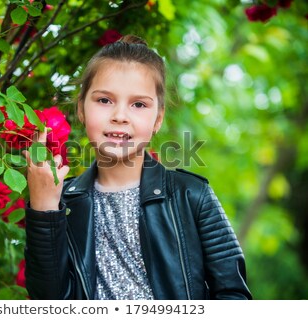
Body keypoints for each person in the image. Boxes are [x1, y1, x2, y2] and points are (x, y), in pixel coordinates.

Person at [22, 35, 252, 300]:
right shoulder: (63, 202)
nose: (120, 116)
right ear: (81, 109)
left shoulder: (191, 195)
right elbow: (49, 301)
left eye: (139, 104)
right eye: (104, 100)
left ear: (158, 119)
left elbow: (234, 295)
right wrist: (44, 208)